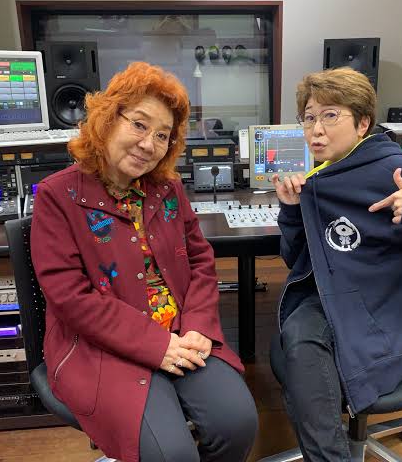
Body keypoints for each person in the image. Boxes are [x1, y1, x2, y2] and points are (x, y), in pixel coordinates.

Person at [31, 61, 257, 462]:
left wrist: (198, 325)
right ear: (107, 119)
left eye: (162, 135)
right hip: (102, 347)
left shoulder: (167, 189)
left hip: (182, 333)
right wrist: (156, 344)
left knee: (238, 424)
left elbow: (200, 260)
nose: (149, 144)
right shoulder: (58, 195)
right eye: (139, 125)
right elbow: (70, 297)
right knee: (172, 454)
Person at [270, 67, 402, 461]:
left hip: (386, 309)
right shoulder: (323, 176)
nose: (316, 130)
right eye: (309, 117)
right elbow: (297, 259)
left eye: (330, 115)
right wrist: (292, 210)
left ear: (363, 123)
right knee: (300, 336)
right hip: (344, 297)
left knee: (301, 342)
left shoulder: (395, 171)